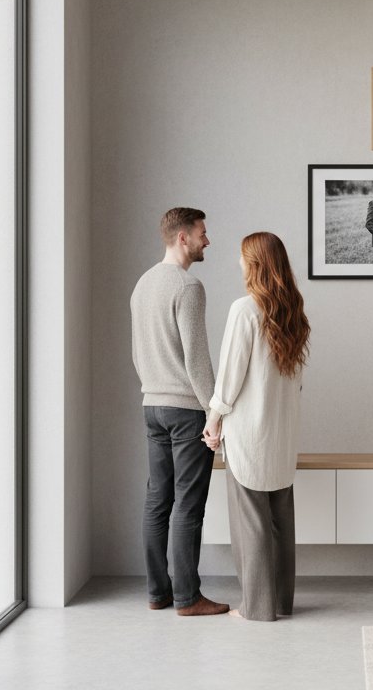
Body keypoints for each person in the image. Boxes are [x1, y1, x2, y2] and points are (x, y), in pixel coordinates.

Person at [203, 232, 311, 622]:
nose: (238, 263)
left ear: (255, 264)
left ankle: (257, 607)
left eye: (242, 257)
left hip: (250, 433)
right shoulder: (293, 311)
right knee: (281, 522)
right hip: (283, 434)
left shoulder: (245, 310)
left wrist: (213, 420)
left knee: (251, 524)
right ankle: (282, 602)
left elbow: (230, 376)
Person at [129, 207, 230, 616]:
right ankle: (188, 598)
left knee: (158, 502)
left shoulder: (142, 284)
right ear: (183, 237)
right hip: (186, 409)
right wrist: (214, 412)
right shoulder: (188, 286)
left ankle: (159, 593)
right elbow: (197, 358)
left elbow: (138, 352)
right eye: (203, 233)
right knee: (188, 504)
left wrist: (153, 386)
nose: (208, 240)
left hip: (152, 404)